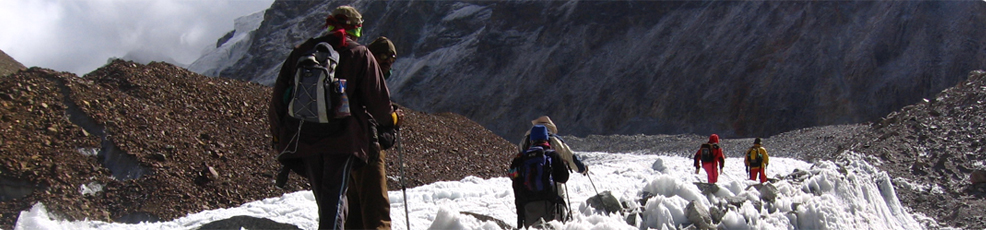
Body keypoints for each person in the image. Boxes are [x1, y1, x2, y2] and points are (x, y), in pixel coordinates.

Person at [268, 5, 398, 229]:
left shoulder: (302, 52)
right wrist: (393, 120)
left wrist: (279, 137)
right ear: (356, 29)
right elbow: (378, 104)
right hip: (342, 141)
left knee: (329, 202)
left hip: (304, 138)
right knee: (335, 201)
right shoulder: (359, 53)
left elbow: (278, 100)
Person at [345, 36, 401, 230]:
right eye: (383, 56)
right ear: (371, 56)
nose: (387, 61)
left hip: (346, 147)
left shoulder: (353, 74)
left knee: (355, 208)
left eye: (392, 58)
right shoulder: (369, 79)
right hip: (368, 147)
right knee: (377, 209)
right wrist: (393, 118)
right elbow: (379, 113)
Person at [509, 125, 571, 228]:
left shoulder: (521, 157)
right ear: (546, 138)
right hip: (549, 202)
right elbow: (564, 177)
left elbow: (512, 175)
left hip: (527, 205)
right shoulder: (553, 155)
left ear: (531, 140)